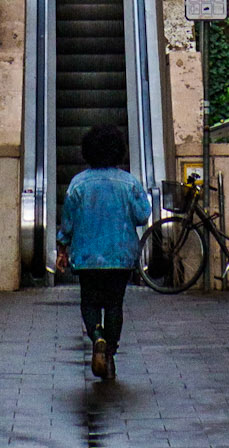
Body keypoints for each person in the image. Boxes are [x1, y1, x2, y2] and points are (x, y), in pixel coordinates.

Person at [55, 124, 151, 381]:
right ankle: (110, 352)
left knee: (89, 302)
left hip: (87, 257)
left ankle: (97, 336)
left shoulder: (78, 184)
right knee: (114, 304)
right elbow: (143, 215)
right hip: (120, 256)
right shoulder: (129, 182)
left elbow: (68, 223)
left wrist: (62, 248)